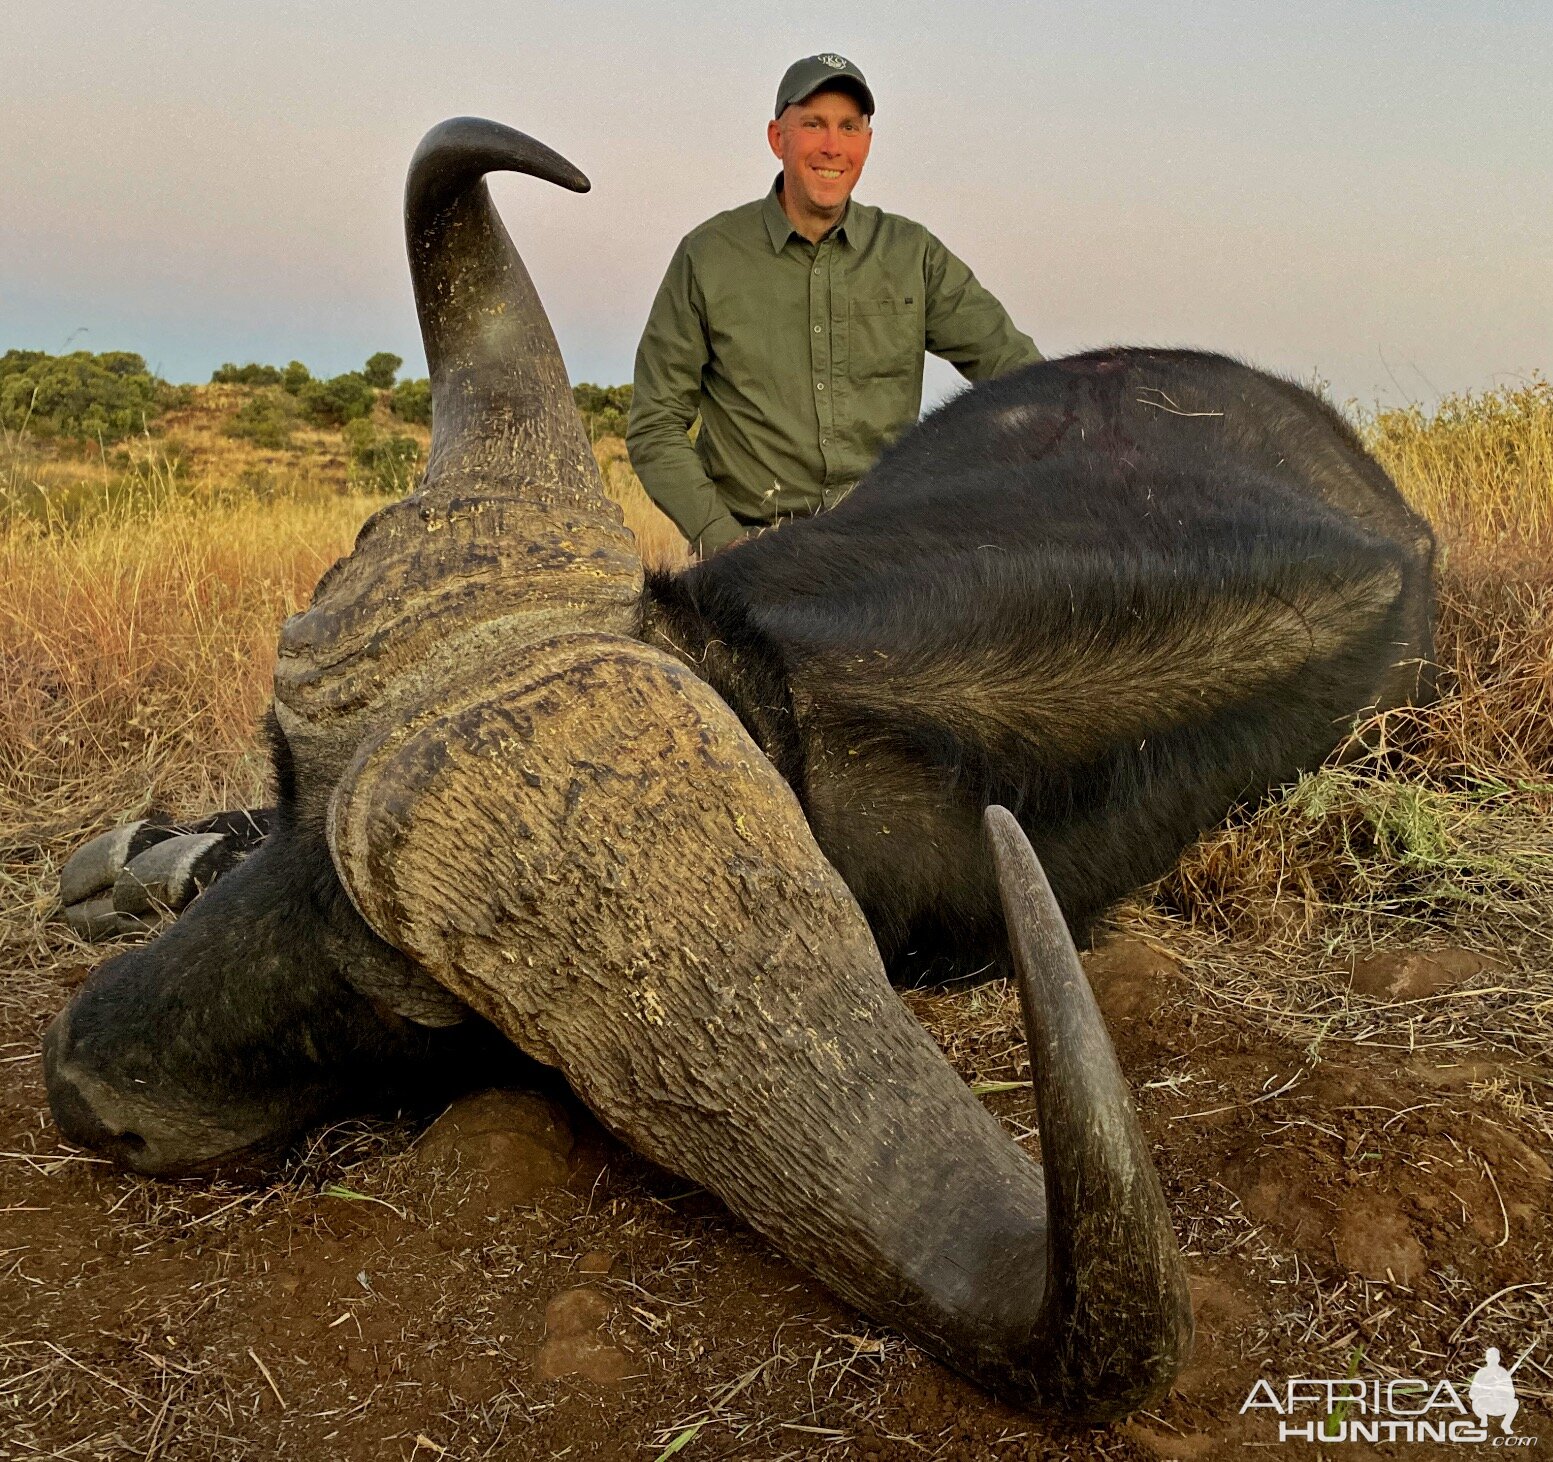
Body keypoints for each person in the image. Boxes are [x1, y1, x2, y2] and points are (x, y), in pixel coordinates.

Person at [627, 54, 1041, 557]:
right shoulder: (708, 256)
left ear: (867, 142)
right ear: (778, 138)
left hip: (887, 552)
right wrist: (722, 540)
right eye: (814, 124)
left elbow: (1018, 375)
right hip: (755, 554)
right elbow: (655, 424)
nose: (832, 146)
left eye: (849, 127)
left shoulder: (913, 254)